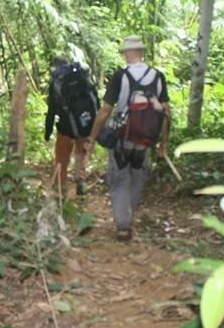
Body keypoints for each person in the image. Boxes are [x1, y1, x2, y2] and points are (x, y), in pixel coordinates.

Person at [88, 35, 171, 242]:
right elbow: (166, 112)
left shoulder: (119, 76)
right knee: (137, 178)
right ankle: (128, 216)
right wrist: (164, 143)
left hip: (122, 138)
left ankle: (123, 225)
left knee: (119, 180)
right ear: (141, 53)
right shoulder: (158, 76)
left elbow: (105, 110)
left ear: (128, 53)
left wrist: (92, 136)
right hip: (146, 140)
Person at [44, 56, 99, 197]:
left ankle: (61, 190)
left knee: (61, 158)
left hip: (66, 127)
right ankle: (81, 182)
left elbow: (51, 111)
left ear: (55, 67)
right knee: (80, 153)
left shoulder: (56, 82)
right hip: (83, 123)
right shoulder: (82, 77)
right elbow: (95, 100)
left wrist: (48, 132)